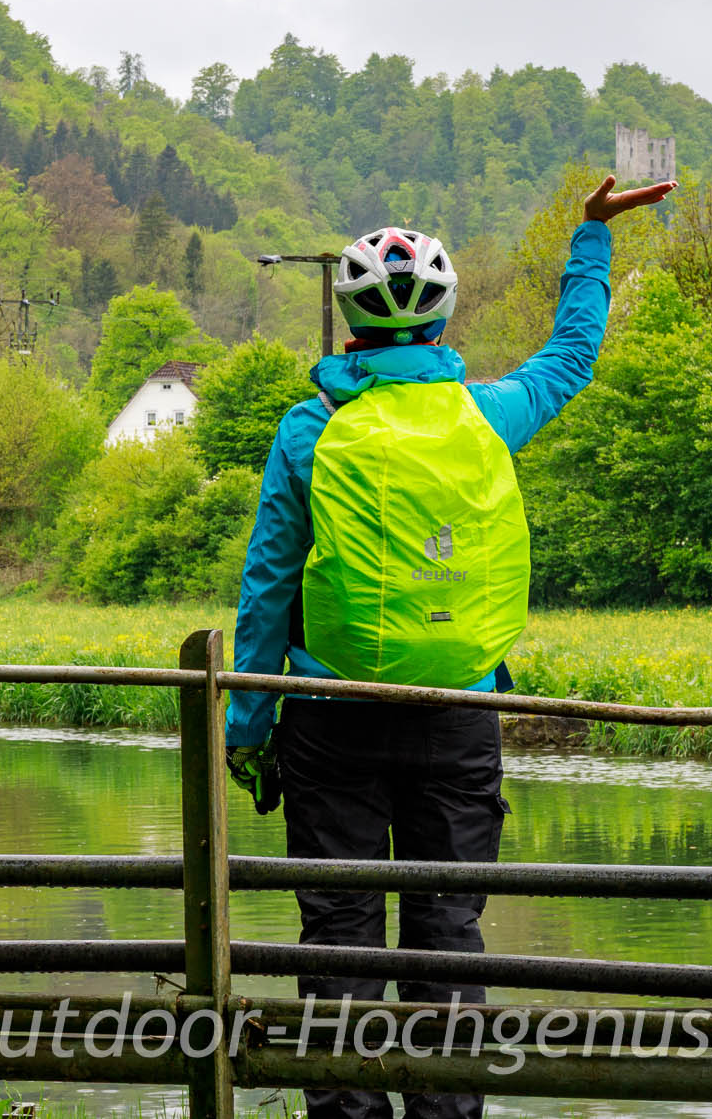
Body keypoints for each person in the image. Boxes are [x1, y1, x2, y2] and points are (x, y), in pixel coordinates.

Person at [224, 175, 675, 1119]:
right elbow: (572, 357)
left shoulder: (311, 427)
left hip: (328, 718)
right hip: (458, 710)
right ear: (441, 323)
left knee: (339, 940)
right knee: (447, 932)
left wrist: (247, 725)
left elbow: (269, 584)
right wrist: (590, 237)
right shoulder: (488, 412)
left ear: (347, 325)